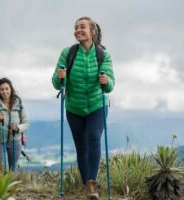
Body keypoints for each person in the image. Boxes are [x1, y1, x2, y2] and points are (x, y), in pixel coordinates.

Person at [52, 17, 115, 199]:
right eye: (76, 28)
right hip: (74, 108)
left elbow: (111, 85)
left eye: (82, 27)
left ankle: (91, 185)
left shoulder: (103, 55)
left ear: (92, 31)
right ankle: (85, 182)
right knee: (81, 147)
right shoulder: (68, 53)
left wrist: (107, 81)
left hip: (97, 105)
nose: (78, 30)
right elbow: (56, 84)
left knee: (93, 137)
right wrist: (60, 76)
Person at [0, 77, 29, 171]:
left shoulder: (19, 104)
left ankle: (10, 185)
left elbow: (26, 123)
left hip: (15, 141)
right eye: (2, 89)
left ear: (11, 89)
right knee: (3, 169)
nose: (5, 91)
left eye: (7, 89)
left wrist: (17, 127)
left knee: (12, 169)